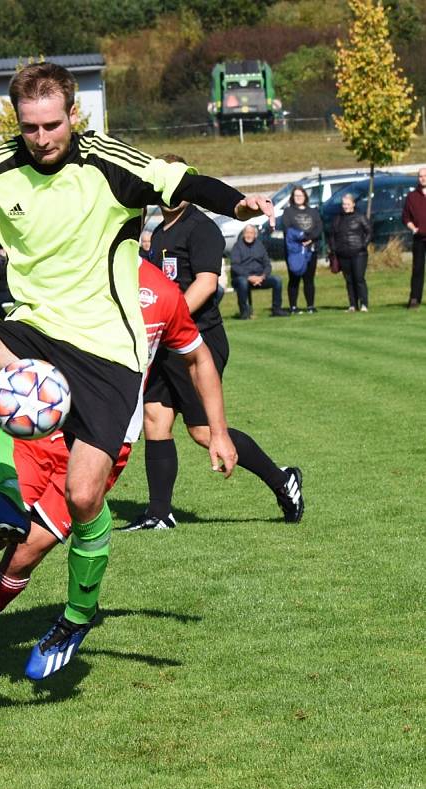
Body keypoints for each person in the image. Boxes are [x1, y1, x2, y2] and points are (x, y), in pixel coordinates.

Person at [0, 62, 272, 678]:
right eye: (30, 126)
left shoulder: (108, 165)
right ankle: (2, 492)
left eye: (53, 124)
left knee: (85, 499)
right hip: (37, 332)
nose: (42, 138)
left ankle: (77, 618)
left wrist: (236, 201)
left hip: (109, 353)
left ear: (73, 116)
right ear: (17, 121)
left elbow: (179, 178)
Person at [0, 260, 235, 674]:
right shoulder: (70, 268)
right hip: (45, 423)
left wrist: (218, 430)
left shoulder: (161, 293)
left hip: (104, 444)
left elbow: (198, 358)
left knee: (25, 554)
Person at [121, 154, 303, 533]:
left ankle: (282, 480)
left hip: (198, 341)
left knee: (204, 432)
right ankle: (159, 514)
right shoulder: (159, 231)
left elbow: (206, 282)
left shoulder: (200, 228)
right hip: (167, 342)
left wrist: (168, 318)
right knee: (155, 417)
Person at [230, 224, 289, 319]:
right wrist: (249, 277)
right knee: (243, 282)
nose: (249, 235)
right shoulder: (237, 247)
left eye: (251, 233)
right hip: (242, 278)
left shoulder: (260, 246)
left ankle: (276, 310)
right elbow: (235, 266)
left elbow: (267, 264)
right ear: (243, 234)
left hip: (260, 278)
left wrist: (263, 276)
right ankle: (244, 312)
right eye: (247, 233)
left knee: (277, 280)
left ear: (255, 235)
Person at [282, 186, 323, 314]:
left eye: (301, 195)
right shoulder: (288, 212)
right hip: (294, 251)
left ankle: (310, 306)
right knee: (294, 278)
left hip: (310, 249)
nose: (298, 198)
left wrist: (310, 239)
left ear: (305, 196)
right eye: (296, 196)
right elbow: (287, 229)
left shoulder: (313, 211)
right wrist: (302, 238)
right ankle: (293, 306)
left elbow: (319, 227)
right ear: (292, 198)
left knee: (309, 279)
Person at [329, 193, 371, 312]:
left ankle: (364, 304)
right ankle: (352, 304)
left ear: (353, 204)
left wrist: (363, 244)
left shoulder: (360, 217)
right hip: (343, 254)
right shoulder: (337, 218)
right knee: (349, 280)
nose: (345, 206)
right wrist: (334, 248)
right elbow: (332, 235)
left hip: (359, 254)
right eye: (343, 204)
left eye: (348, 204)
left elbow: (369, 231)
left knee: (359, 278)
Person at [402, 166, 426, 309]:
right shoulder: (412, 196)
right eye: (420, 176)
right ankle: (414, 298)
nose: (422, 178)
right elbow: (405, 217)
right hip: (419, 238)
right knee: (417, 269)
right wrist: (413, 228)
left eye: (425, 176)